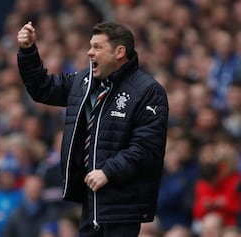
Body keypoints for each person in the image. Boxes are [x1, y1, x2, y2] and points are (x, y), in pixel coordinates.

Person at [17, 21, 169, 237]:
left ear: (119, 52)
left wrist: (108, 171)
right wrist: (28, 51)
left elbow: (146, 147)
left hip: (123, 205)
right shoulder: (84, 81)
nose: (89, 52)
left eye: (97, 47)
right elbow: (43, 88)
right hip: (91, 202)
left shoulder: (148, 91)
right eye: (90, 46)